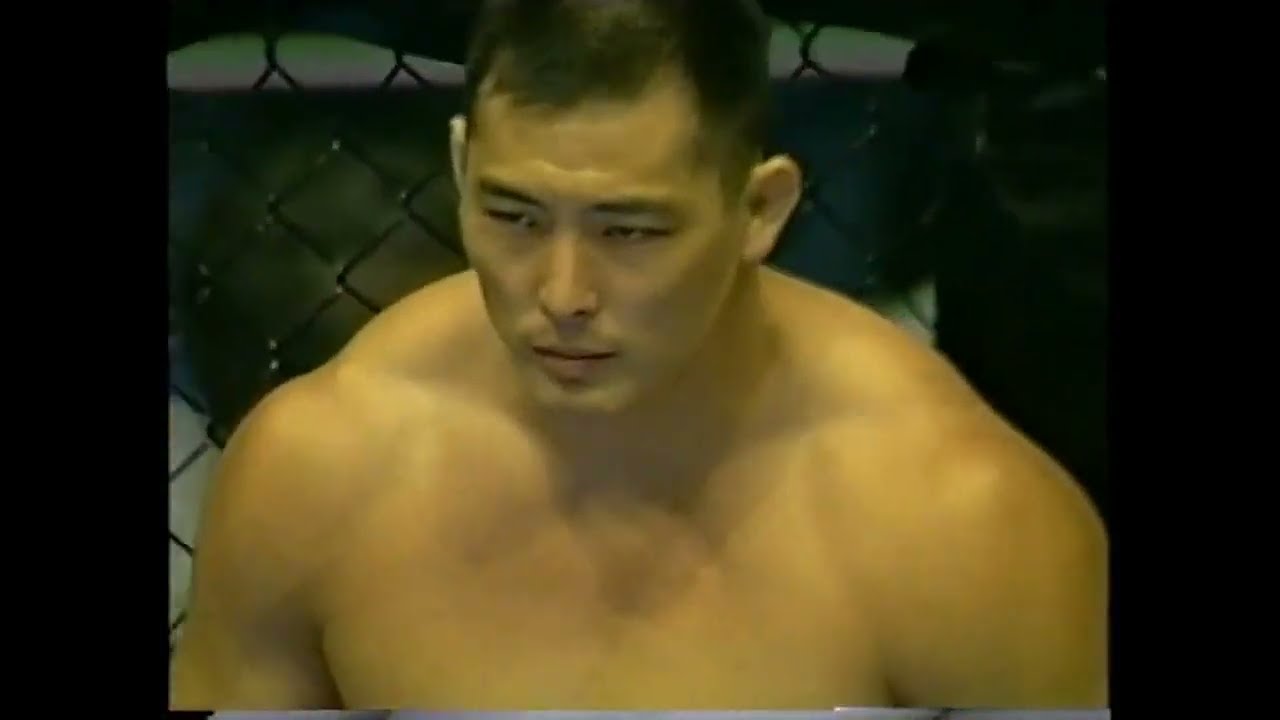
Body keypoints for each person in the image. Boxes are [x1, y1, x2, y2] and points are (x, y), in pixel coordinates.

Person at [170, 0, 1107, 710]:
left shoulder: (957, 519)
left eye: (629, 231)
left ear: (760, 210)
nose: (563, 292)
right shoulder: (321, 468)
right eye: (514, 216)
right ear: (459, 171)